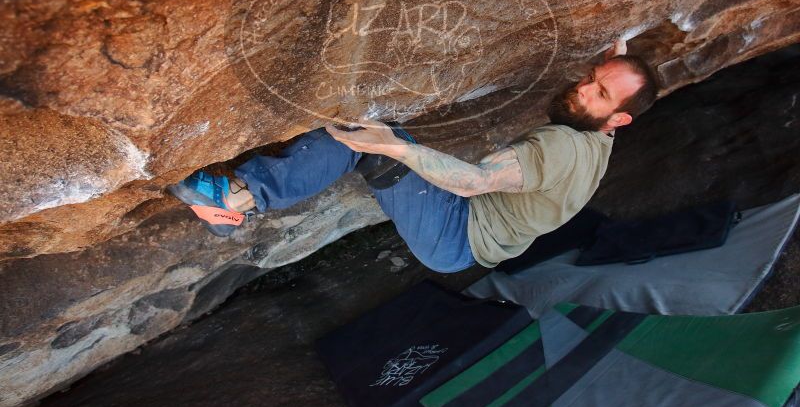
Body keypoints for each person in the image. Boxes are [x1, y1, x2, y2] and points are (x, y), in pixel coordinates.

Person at [169, 39, 658, 273]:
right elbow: (615, 87)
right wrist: (618, 59)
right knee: (381, 138)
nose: (581, 91)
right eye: (592, 78)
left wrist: (396, 148)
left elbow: (471, 182)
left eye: (598, 94)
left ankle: (236, 200)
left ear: (618, 120)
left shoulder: (563, 146)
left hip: (456, 233)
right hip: (474, 240)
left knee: (360, 137)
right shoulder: (599, 132)